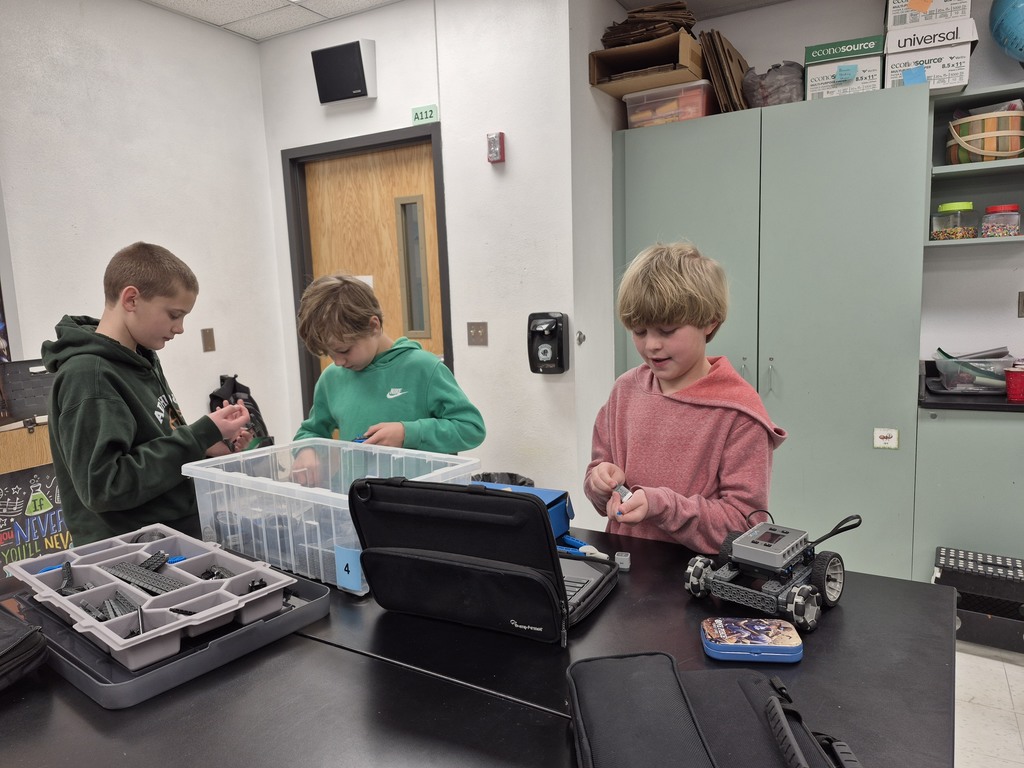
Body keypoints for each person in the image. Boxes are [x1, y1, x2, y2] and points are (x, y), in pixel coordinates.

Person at [42, 241, 252, 546]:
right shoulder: (90, 377)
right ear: (131, 299)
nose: (179, 328)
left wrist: (208, 445)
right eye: (173, 314)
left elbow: (155, 439)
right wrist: (195, 437)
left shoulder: (141, 358)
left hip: (171, 535)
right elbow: (105, 486)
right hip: (131, 554)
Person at [583, 242, 787, 555]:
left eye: (667, 330)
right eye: (639, 331)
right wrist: (599, 483)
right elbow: (599, 479)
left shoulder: (739, 413)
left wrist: (661, 506)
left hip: (699, 583)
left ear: (710, 322)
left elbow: (746, 527)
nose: (651, 345)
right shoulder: (624, 392)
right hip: (624, 569)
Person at [291, 274, 484, 484]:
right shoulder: (331, 379)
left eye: (344, 350)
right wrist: (306, 450)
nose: (338, 362)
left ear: (373, 326)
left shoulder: (423, 368)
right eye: (330, 353)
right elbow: (311, 430)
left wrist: (407, 433)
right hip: (357, 503)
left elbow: (471, 428)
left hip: (418, 503)